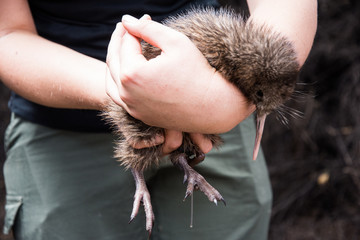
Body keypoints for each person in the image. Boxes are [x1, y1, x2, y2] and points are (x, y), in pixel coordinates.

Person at [0, 0, 317, 239]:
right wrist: (127, 92)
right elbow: (7, 33)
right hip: (61, 126)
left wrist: (224, 101)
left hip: (220, 104)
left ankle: (184, 164)